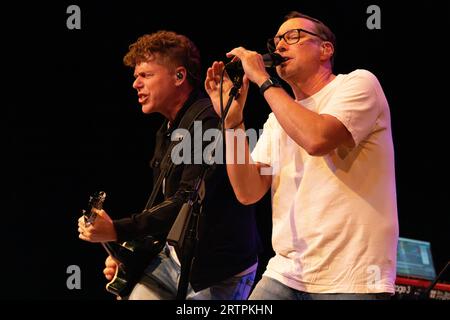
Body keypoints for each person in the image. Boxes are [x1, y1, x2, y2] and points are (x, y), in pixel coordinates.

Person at [204, 11, 398, 300]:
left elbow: (317, 139)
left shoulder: (358, 84)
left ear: (325, 49)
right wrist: (233, 123)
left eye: (292, 36)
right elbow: (248, 191)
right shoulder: (278, 118)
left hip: (352, 277)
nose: (280, 46)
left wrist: (262, 80)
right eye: (277, 40)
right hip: (286, 272)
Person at [78, 30, 260, 300]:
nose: (136, 84)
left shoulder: (207, 120)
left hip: (218, 270)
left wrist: (118, 229)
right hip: (178, 258)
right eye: (135, 77)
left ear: (179, 76)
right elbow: (162, 209)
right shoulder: (166, 130)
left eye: (146, 75)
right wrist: (130, 256)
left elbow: (184, 200)